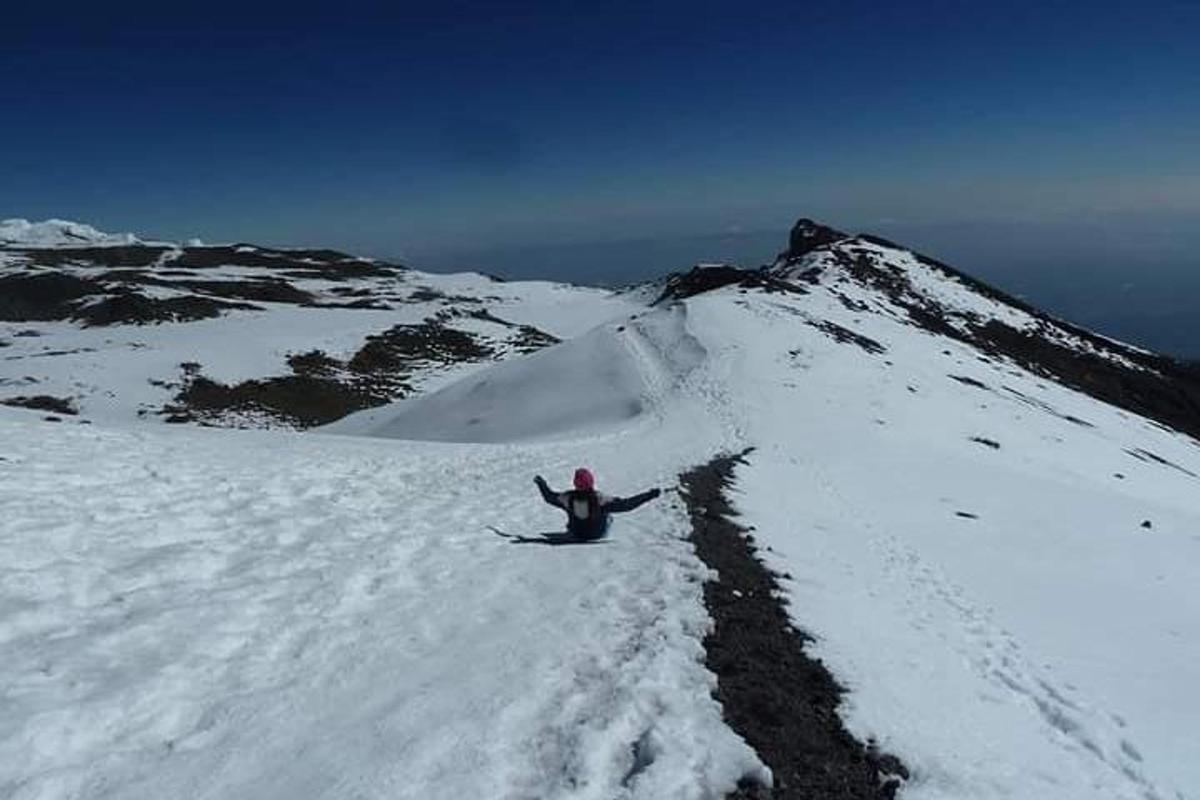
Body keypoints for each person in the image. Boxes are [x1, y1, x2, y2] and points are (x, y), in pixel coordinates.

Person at [534, 468, 661, 541]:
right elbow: (627, 505)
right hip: (597, 535)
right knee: (609, 514)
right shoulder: (600, 499)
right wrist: (649, 495)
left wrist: (541, 484)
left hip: (576, 534)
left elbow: (549, 497)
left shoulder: (568, 497)